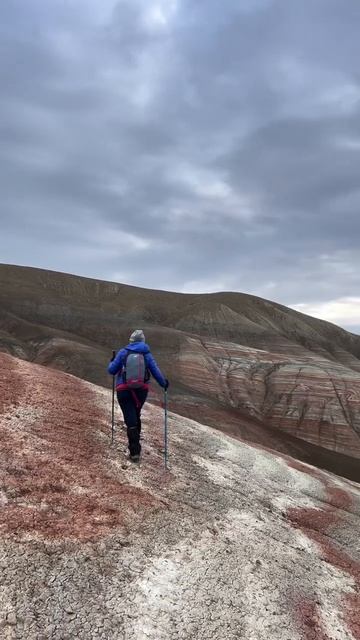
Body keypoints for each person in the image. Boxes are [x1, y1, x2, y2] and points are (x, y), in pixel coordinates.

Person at [108, 329, 169, 462]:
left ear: (130, 341)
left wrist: (111, 361)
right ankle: (136, 447)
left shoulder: (123, 352)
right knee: (136, 414)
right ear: (143, 341)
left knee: (130, 419)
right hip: (141, 391)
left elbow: (111, 370)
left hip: (123, 390)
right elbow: (155, 371)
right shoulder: (147, 354)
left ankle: (134, 451)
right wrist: (164, 383)